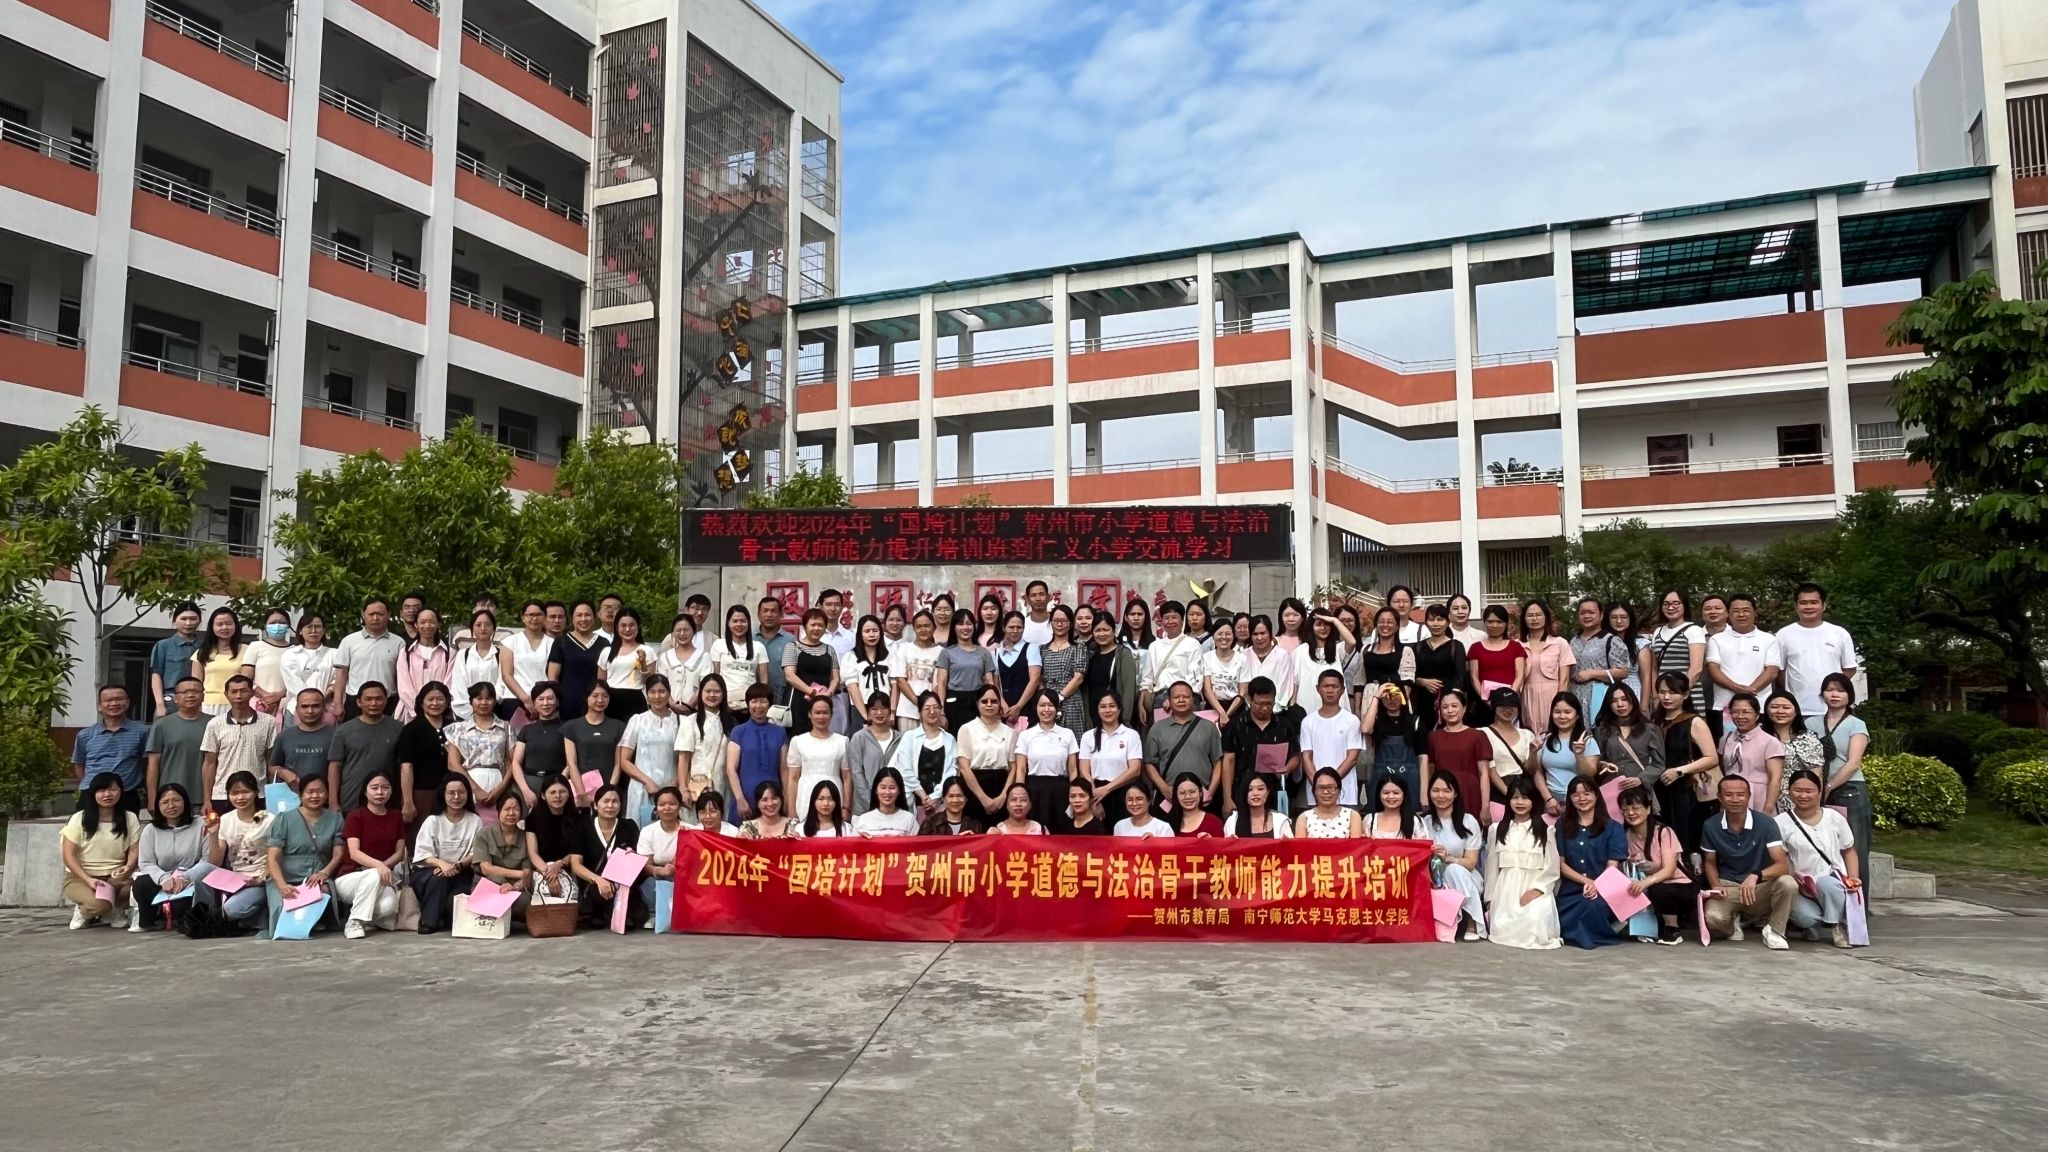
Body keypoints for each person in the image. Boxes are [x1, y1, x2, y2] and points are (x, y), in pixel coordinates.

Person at [1701, 775, 1797, 949]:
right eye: (1728, 795)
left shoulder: (1766, 823)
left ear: (1749, 796)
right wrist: (1715, 885)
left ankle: (1775, 930)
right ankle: (1732, 927)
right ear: (1719, 797)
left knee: (1788, 883)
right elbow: (1709, 862)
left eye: (1740, 794)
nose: (1735, 799)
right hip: (1729, 885)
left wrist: (1756, 875)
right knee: (1713, 918)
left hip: (1759, 886)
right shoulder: (1711, 825)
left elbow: (1782, 865)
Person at [1777, 769, 1861, 948]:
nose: (1803, 795)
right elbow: (1782, 857)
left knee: (1827, 884)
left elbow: (1849, 850)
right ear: (1789, 791)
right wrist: (1793, 881)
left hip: (1832, 879)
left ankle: (1837, 926)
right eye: (1798, 790)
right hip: (1802, 884)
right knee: (1802, 915)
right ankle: (1811, 925)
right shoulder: (1781, 822)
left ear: (1819, 792)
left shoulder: (1834, 817)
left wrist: (1853, 878)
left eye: (1809, 791)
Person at [265, 773, 345, 938]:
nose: (315, 796)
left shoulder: (336, 819)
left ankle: (313, 924)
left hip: (316, 876)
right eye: (310, 792)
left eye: (320, 791)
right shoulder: (284, 819)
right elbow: (273, 857)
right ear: (300, 795)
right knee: (282, 910)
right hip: (285, 877)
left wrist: (324, 873)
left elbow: (338, 854)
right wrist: (282, 885)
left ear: (327, 794)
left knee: (322, 893)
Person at [1485, 775, 1560, 950]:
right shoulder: (1497, 829)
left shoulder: (1546, 830)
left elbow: (1552, 868)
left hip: (1535, 889)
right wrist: (1490, 900)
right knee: (1502, 928)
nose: (1520, 802)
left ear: (1533, 801)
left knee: (1535, 923)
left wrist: (1537, 890)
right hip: (1505, 892)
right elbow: (1491, 868)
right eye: (1515, 797)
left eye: (1525, 798)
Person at [1812, 672, 1874, 882]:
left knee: (1854, 847)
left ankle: (1858, 899)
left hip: (1850, 790)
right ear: (1822, 694)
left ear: (1849, 695)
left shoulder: (1856, 724)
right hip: (1816, 792)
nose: (1834, 694)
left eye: (1840, 690)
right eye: (1829, 690)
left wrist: (1828, 787)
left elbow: (1853, 762)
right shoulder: (1811, 724)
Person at [1617, 783, 1696, 944]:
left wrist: (1645, 882)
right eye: (1625, 809)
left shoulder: (1664, 832)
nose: (1630, 813)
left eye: (1636, 808)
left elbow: (1669, 870)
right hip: (1646, 885)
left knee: (1659, 889)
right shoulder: (1626, 834)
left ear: (1648, 809)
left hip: (1678, 886)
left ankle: (1672, 930)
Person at [60, 772, 140, 930]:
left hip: (115, 876)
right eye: (101, 790)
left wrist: (128, 866)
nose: (107, 795)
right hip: (82, 877)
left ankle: (114, 909)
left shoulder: (129, 818)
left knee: (137, 889)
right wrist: (88, 880)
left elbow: (134, 848)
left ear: (121, 792)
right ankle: (86, 910)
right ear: (93, 793)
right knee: (99, 905)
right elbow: (68, 855)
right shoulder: (79, 819)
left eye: (113, 790)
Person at [1554, 776, 1626, 949]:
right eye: (1576, 795)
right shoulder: (1562, 825)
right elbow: (1561, 864)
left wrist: (1597, 885)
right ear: (1570, 799)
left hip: (1604, 888)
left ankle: (1596, 933)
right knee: (1564, 911)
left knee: (1592, 905)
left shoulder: (1613, 827)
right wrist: (1587, 882)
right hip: (1571, 888)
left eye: (1587, 793)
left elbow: (1612, 867)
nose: (1581, 798)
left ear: (1596, 795)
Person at [1653, 672, 1720, 858]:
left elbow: (1712, 757)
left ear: (1685, 695)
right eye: (1662, 692)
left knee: (1686, 837)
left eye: (1673, 692)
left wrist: (1680, 771)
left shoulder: (1694, 721)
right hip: (1660, 788)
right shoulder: (1655, 721)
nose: (1666, 697)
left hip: (1686, 789)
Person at [333, 772, 407, 939]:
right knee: (374, 874)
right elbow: (354, 853)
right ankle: (354, 922)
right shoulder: (355, 816)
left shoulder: (396, 816)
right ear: (365, 792)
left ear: (391, 791)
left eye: (385, 788)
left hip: (381, 878)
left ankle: (362, 916)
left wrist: (382, 868)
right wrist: (379, 866)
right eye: (374, 788)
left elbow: (400, 852)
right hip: (350, 877)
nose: (380, 792)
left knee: (389, 905)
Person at [1775, 582, 1859, 716]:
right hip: (1796, 710)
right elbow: (1779, 670)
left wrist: (1833, 689)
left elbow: (1849, 668)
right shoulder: (1783, 634)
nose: (1808, 607)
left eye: (1814, 602)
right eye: (1803, 603)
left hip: (1833, 710)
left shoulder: (1839, 633)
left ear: (1823, 605)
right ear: (1796, 606)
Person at [410, 776, 481, 933]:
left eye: (461, 792)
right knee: (439, 878)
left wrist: (458, 865)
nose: (456, 797)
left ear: (468, 794)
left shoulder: (475, 820)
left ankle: (441, 917)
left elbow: (477, 852)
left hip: (460, 872)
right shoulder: (433, 821)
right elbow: (422, 855)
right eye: (451, 793)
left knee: (453, 907)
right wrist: (442, 864)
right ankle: (428, 923)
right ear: (443, 794)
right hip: (429, 872)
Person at [570, 785, 647, 929]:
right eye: (605, 801)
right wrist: (597, 879)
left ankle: (617, 912)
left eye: (615, 801)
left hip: (623, 885)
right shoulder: (583, 827)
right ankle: (601, 913)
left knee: (639, 917)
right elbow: (575, 864)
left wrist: (633, 855)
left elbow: (640, 859)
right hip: (594, 883)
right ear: (595, 804)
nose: (610, 806)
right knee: (597, 907)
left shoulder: (629, 826)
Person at [204, 771, 272, 932]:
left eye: (245, 792)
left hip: (261, 881)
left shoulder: (270, 819)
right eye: (234, 793)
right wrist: (213, 834)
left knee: (232, 909)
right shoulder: (226, 819)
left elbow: (274, 856)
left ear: (255, 792)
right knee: (202, 869)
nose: (240, 797)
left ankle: (263, 913)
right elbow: (215, 862)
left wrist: (261, 880)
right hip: (235, 880)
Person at [132, 783, 205, 931]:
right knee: (141, 884)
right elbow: (146, 862)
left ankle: (175, 915)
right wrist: (164, 879)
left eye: (176, 800)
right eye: (165, 802)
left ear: (185, 802)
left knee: (180, 908)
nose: (171, 806)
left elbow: (207, 860)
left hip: (189, 880)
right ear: (158, 806)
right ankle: (149, 921)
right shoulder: (150, 830)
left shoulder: (200, 825)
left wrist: (185, 878)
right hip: (162, 880)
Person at [1421, 774, 1485, 941]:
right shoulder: (1423, 821)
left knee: (1454, 870)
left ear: (1455, 793)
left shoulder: (1468, 821)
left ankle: (1471, 921)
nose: (1441, 795)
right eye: (1436, 790)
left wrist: (1449, 858)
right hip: (1433, 875)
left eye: (1446, 791)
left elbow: (1471, 863)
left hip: (1465, 874)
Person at [201, 675, 275, 817]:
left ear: (252, 693)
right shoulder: (215, 724)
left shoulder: (268, 722)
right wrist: (207, 799)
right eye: (234, 692)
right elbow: (209, 763)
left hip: (257, 793)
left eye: (243, 691)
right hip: (222, 794)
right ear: (226, 695)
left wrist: (272, 795)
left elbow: (270, 761)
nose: (239, 696)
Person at [1222, 677, 1299, 814]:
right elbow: (1228, 761)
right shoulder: (1236, 725)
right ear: (1249, 700)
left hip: (1274, 792)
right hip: (1243, 792)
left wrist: (1287, 769)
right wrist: (1227, 798)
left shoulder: (1284, 725)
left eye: (1269, 704)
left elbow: (1295, 756)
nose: (1265, 708)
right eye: (1260, 704)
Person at [1144, 681, 1225, 811]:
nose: (1181, 700)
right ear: (1169, 700)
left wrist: (1211, 791)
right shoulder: (1157, 729)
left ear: (1193, 699)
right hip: (1169, 796)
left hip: (1202, 795)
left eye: (1186, 697)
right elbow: (1149, 763)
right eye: (1176, 697)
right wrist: (1164, 788)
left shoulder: (1209, 727)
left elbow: (1218, 762)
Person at [1706, 594, 1781, 731]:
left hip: (1759, 705)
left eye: (1746, 610)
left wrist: (1747, 693)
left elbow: (1772, 671)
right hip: (1725, 707)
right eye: (1736, 611)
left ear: (1755, 613)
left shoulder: (1769, 639)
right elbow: (1713, 669)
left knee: (1760, 743)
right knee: (1726, 743)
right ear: (1728, 614)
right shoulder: (1717, 639)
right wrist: (1737, 689)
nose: (1741, 614)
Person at [327, 681, 403, 812]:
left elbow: (404, 767)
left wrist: (405, 799)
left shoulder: (398, 728)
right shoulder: (344, 730)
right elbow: (335, 766)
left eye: (378, 699)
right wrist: (333, 801)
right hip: (351, 799)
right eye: (368, 699)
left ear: (386, 701)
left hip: (387, 801)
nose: (373, 703)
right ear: (358, 702)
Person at [1421, 689, 1492, 826]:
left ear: (1464, 708)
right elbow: (1430, 772)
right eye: (1445, 707)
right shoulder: (1433, 737)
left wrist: (1485, 805)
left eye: (1454, 706)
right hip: (1442, 790)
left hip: (1469, 790)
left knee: (1469, 829)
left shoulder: (1477, 735)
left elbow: (1484, 773)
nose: (1450, 710)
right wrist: (1426, 798)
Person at [443, 681, 516, 816]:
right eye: (479, 698)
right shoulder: (458, 729)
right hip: (469, 779)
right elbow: (453, 764)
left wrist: (501, 788)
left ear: (495, 701)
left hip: (499, 779)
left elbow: (513, 761)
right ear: (471, 701)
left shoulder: (506, 727)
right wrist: (475, 789)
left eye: (488, 698)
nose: (484, 702)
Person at [616, 675, 681, 824]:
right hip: (641, 788)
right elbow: (624, 760)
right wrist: (647, 781)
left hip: (671, 788)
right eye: (652, 692)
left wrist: (676, 782)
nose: (657, 696)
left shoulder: (679, 721)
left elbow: (684, 759)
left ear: (669, 693)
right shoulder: (637, 720)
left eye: (662, 691)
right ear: (646, 695)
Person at [75, 683, 149, 813]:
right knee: (86, 825)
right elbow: (79, 764)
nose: (114, 703)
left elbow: (144, 763)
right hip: (92, 793)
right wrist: (96, 786)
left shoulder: (142, 731)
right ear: (99, 706)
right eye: (108, 700)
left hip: (127, 792)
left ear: (128, 702)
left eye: (119, 699)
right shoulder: (85, 735)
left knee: (128, 825)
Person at [1300, 670, 1366, 809]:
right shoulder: (1308, 722)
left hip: (1345, 791)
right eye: (1326, 686)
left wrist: (1331, 783)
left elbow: (1352, 758)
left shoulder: (1351, 721)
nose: (1330, 690)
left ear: (1342, 690)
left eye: (1334, 686)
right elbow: (1306, 757)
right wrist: (1318, 784)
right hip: (1316, 792)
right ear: (1318, 688)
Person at [332, 599, 406, 721]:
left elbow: (402, 676)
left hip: (388, 701)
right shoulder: (349, 641)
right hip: (356, 701)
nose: (375, 618)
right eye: (371, 614)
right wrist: (338, 703)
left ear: (388, 615)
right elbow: (341, 674)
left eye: (380, 614)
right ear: (363, 615)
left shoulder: (399, 642)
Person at [1014, 690, 1080, 827]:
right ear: (1036, 708)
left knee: (1060, 830)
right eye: (1042, 705)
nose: (1046, 709)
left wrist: (1075, 795)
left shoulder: (1068, 734)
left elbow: (1073, 770)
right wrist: (1019, 796)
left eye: (1050, 705)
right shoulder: (1026, 735)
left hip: (1060, 790)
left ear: (1057, 708)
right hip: (1033, 790)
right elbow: (1021, 770)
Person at [394, 682, 454, 827]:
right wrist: (408, 801)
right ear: (421, 702)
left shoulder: (454, 726)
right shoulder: (411, 729)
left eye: (440, 699)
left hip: (450, 792)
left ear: (447, 702)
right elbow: (406, 767)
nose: (435, 703)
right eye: (430, 699)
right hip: (421, 793)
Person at [1643, 589, 1708, 720]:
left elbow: (1696, 669)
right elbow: (1654, 668)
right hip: (1664, 698)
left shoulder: (1694, 630)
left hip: (1688, 695)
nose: (1671, 607)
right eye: (1666, 604)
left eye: (1676, 603)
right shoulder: (1657, 632)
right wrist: (1657, 695)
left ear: (1684, 605)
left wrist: (1678, 694)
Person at [726, 682, 787, 824]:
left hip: (773, 799)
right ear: (748, 704)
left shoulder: (780, 732)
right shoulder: (738, 731)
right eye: (754, 701)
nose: (758, 706)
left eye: (763, 701)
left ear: (770, 704)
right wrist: (740, 799)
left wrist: (786, 798)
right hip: (745, 797)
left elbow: (784, 770)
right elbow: (731, 769)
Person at [787, 694, 854, 821]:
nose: (821, 717)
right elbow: (793, 778)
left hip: (834, 793)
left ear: (831, 714)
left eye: (825, 713)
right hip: (806, 793)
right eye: (817, 713)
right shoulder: (799, 741)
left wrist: (846, 807)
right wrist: (791, 810)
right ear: (810, 714)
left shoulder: (842, 741)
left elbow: (847, 778)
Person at [1718, 692, 1785, 818]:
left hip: (1759, 797)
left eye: (1746, 712)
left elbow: (1775, 778)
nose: (1740, 716)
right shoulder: (1726, 739)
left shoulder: (1770, 742)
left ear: (1757, 715)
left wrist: (1768, 807)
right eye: (1735, 712)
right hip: (1730, 797)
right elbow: (1722, 768)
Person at [1592, 683, 1664, 800]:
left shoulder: (1650, 730)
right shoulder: (1601, 730)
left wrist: (1641, 779)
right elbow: (1596, 761)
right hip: (1612, 788)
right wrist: (1603, 765)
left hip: (1640, 790)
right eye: (1614, 701)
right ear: (1608, 705)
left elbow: (1659, 764)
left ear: (1633, 701)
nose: (1620, 704)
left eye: (1624, 699)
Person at [955, 686, 1017, 818]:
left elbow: (1013, 767)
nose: (989, 705)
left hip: (1001, 786)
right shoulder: (966, 729)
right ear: (978, 704)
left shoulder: (1010, 732)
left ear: (1000, 704)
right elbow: (964, 767)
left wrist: (1004, 796)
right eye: (984, 701)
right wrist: (983, 798)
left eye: (994, 701)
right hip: (974, 786)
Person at [562, 682, 627, 807]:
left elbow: (618, 764)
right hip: (581, 787)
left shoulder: (618, 726)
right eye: (595, 695)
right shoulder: (572, 726)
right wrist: (581, 793)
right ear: (586, 698)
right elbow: (571, 763)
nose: (600, 700)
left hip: (609, 788)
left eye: (605, 696)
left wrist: (609, 790)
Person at [1079, 691, 1145, 812]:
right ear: (1097, 710)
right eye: (1103, 707)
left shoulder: (1131, 735)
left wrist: (1107, 789)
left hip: (1123, 790)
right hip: (1096, 792)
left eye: (1112, 706)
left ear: (1119, 710)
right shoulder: (1088, 736)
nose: (1107, 710)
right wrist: (1093, 794)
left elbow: (1135, 770)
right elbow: (1084, 770)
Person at [500, 601, 564, 726]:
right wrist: (526, 700)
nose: (534, 619)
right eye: (530, 615)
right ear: (523, 617)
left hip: (545, 702)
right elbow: (506, 675)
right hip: (515, 699)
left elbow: (554, 676)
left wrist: (543, 700)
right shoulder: (510, 642)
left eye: (539, 614)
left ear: (545, 617)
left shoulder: (554, 643)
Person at [1139, 599, 1204, 721]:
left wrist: (1175, 697)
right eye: (1166, 618)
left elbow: (1196, 677)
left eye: (1174, 617)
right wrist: (1142, 704)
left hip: (1185, 699)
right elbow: (1147, 677)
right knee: (1161, 733)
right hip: (1159, 700)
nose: (1170, 621)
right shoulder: (1154, 646)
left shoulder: (1192, 644)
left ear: (1182, 620)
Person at [890, 692, 957, 811]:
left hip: (942, 801)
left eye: (936, 707)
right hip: (914, 801)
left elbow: (952, 771)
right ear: (920, 711)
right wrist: (923, 796)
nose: (932, 711)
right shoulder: (909, 737)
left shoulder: (949, 739)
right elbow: (905, 770)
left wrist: (936, 797)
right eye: (927, 708)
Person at [1535, 694, 1597, 818]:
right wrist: (1548, 799)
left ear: (1577, 715)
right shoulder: (1545, 739)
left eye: (1567, 712)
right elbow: (1537, 772)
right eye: (1557, 712)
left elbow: (1589, 775)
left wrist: (1579, 755)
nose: (1562, 716)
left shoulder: (1588, 741)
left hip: (1580, 800)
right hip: (1551, 801)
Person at [470, 793, 534, 914]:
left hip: (514, 886)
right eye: (507, 809)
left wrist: (516, 886)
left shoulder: (526, 837)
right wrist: (518, 874)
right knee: (487, 900)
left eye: (516, 809)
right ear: (499, 811)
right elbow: (486, 869)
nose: (511, 813)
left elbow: (527, 872)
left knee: (524, 902)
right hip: (488, 883)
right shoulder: (484, 834)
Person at [1519, 600, 1575, 738]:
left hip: (1553, 693)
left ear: (1546, 617)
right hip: (1528, 694)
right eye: (1530, 615)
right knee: (1530, 733)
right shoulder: (1517, 645)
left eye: (1538, 615)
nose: (1534, 619)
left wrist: (1561, 702)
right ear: (1524, 619)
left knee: (1553, 731)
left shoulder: (1560, 643)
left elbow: (1564, 679)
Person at [524, 776, 583, 905]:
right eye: (552, 792)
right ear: (543, 795)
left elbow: (577, 851)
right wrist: (549, 875)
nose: (557, 796)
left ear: (569, 794)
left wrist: (559, 864)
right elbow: (533, 854)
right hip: (541, 868)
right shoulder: (533, 818)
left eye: (562, 791)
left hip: (567, 868)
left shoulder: (577, 819)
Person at [1568, 598, 1631, 718]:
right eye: (1582, 613)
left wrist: (1592, 673)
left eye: (1591, 612)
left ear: (1601, 615)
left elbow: (1623, 672)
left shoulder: (1611, 641)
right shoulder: (1573, 641)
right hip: (1575, 696)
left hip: (1600, 696)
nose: (1586, 616)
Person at [1763, 690, 1825, 812]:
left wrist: (1816, 804)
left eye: (1786, 707)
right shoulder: (1759, 736)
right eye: (1774, 707)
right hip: (1763, 796)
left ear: (1796, 711)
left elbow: (1816, 774)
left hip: (1797, 799)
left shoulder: (1808, 739)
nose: (1780, 711)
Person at [1362, 682, 1419, 814]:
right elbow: (1365, 729)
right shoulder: (1376, 722)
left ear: (1403, 696)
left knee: (1409, 815)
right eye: (1387, 696)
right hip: (1381, 777)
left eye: (1395, 694)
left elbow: (1423, 758)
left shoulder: (1415, 721)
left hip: (1409, 777)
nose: (1391, 699)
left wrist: (1423, 795)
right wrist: (1376, 696)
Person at [676, 673, 732, 806]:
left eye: (717, 691)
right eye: (708, 691)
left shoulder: (731, 723)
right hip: (697, 784)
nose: (712, 695)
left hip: (724, 784)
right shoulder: (690, 722)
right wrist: (683, 788)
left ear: (723, 694)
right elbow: (683, 758)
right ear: (700, 693)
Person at [783, 608, 842, 733]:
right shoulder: (792, 647)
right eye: (813, 624)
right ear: (805, 626)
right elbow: (789, 675)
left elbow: (835, 678)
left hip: (823, 702)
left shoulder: (830, 649)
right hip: (798, 701)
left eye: (821, 625)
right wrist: (812, 692)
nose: (817, 628)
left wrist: (829, 693)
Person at [936, 612, 997, 732]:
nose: (965, 627)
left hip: (977, 701)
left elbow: (990, 682)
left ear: (974, 626)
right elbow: (941, 684)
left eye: (969, 624)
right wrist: (941, 711)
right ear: (954, 627)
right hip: (954, 701)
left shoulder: (984, 653)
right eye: (960, 624)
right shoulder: (946, 653)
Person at [887, 610, 947, 732]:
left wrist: (939, 709)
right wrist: (917, 701)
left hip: (932, 710)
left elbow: (940, 683)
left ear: (934, 627)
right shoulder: (904, 648)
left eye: (927, 626)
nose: (923, 630)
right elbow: (900, 680)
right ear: (914, 629)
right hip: (907, 710)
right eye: (919, 626)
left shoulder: (941, 652)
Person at [1409, 605, 1465, 732]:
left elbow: (1460, 676)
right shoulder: (1417, 647)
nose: (1436, 623)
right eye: (1431, 619)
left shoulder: (1456, 646)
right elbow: (1410, 675)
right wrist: (1422, 681)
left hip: (1448, 703)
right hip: (1423, 703)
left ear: (1448, 622)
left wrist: (1452, 701)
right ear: (1426, 623)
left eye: (1440, 619)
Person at [190, 607, 255, 716]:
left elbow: (247, 681)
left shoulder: (247, 650)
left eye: (229, 623)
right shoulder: (201, 653)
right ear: (212, 627)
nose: (224, 627)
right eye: (219, 624)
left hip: (238, 704)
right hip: (209, 705)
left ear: (235, 625)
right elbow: (195, 684)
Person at [392, 608, 453, 723]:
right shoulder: (406, 652)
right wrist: (417, 708)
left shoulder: (448, 652)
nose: (427, 626)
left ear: (438, 624)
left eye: (432, 622)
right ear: (416, 624)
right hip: (411, 713)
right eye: (423, 622)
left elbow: (449, 682)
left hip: (440, 711)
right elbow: (404, 686)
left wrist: (438, 705)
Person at [449, 609, 510, 723]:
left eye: (487, 624)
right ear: (472, 629)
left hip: (496, 711)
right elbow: (459, 686)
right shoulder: (463, 655)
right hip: (467, 714)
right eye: (478, 625)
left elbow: (502, 683)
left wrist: (488, 703)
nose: (483, 628)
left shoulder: (501, 654)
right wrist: (471, 711)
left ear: (493, 628)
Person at [635, 786, 688, 918]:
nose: (667, 808)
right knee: (649, 884)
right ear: (656, 808)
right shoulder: (647, 831)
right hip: (657, 875)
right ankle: (654, 915)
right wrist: (659, 871)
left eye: (672, 804)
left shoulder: (690, 830)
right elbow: (645, 865)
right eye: (662, 804)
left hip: (683, 876)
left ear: (680, 806)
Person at [1082, 614, 1141, 729]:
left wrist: (1124, 720)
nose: (1102, 634)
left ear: (1114, 631)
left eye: (1106, 630)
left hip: (1115, 718)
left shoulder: (1123, 654)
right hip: (1094, 717)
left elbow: (1129, 690)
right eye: (1098, 630)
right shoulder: (1091, 655)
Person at [149, 602, 203, 720]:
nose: (188, 623)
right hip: (171, 699)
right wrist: (160, 704)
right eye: (183, 619)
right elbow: (156, 675)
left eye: (193, 619)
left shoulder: (205, 646)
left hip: (198, 699)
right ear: (174, 621)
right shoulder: (163, 645)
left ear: (200, 621)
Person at [840, 616, 893, 738]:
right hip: (860, 709)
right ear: (860, 634)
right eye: (867, 631)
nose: (871, 635)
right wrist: (866, 715)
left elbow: (895, 684)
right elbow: (852, 687)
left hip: (886, 710)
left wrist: (892, 712)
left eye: (875, 631)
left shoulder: (890, 656)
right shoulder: (851, 657)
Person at [555, 601, 610, 718]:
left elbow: (607, 676)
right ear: (572, 618)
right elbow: (553, 678)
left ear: (594, 617)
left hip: (596, 703)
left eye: (588, 615)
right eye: (579, 615)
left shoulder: (604, 643)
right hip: (568, 703)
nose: (583, 619)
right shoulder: (561, 642)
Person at [1480, 688, 1534, 809]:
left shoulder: (1527, 734)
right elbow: (1489, 769)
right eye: (1503, 705)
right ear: (1494, 706)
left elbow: (1532, 770)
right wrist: (1510, 794)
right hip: (1498, 791)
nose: (1508, 709)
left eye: (1513, 706)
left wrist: (1534, 752)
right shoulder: (1482, 733)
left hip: (1524, 791)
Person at [279, 613, 337, 722]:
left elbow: (337, 679)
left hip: (326, 709)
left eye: (318, 627)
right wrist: (312, 701)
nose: (313, 630)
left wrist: (328, 692)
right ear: (300, 631)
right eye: (309, 627)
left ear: (324, 630)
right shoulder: (290, 655)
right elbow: (292, 682)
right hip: (296, 709)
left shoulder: (334, 654)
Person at [596, 609, 652, 721]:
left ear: (638, 626)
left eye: (631, 625)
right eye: (623, 625)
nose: (627, 629)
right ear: (617, 627)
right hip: (611, 700)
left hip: (635, 699)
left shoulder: (647, 651)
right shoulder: (607, 651)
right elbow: (600, 682)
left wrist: (643, 664)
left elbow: (651, 682)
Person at [1466, 604, 1527, 706]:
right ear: (1484, 623)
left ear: (1506, 624)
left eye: (1499, 622)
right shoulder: (1476, 648)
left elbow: (1520, 676)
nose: (1494, 625)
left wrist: (1508, 697)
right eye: (1490, 622)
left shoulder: (1516, 647)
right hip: (1484, 703)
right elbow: (1474, 677)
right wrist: (1485, 699)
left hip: (1510, 702)